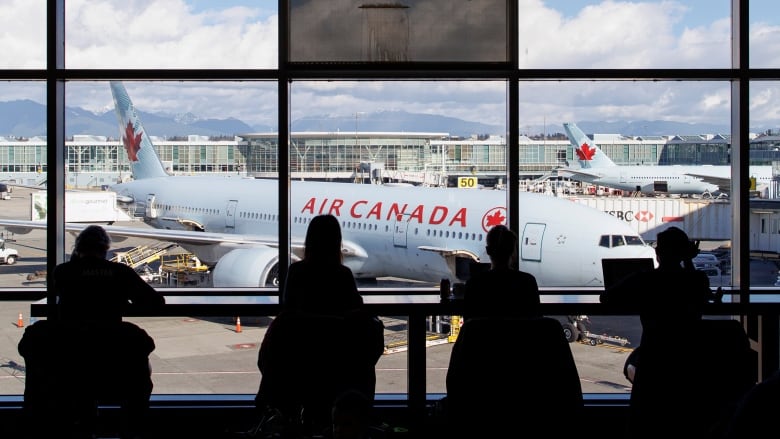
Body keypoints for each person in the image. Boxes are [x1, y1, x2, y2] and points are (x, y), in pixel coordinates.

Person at [19, 224, 165, 438]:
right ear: (106, 249)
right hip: (108, 348)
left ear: (77, 249)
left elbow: (67, 284)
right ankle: (134, 425)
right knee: (138, 346)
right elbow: (155, 302)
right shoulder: (120, 272)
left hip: (68, 352)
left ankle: (43, 423)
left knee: (35, 341)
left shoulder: (63, 271)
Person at [254, 214, 384, 437]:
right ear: (337, 241)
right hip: (335, 368)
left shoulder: (297, 272)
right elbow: (356, 313)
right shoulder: (342, 275)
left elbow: (288, 313)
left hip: (299, 368)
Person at [600, 226, 725, 438]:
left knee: (645, 420)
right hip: (688, 363)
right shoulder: (696, 281)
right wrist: (688, 260)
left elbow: (607, 298)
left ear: (658, 253)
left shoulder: (644, 279)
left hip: (654, 360)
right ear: (685, 252)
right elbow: (700, 292)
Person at [281, 214, 363, 314]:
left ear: (309, 239)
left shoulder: (296, 270)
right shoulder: (343, 274)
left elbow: (289, 306)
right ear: (337, 241)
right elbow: (356, 305)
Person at [463, 224, 540, 318]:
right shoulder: (528, 282)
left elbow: (469, 322)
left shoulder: (474, 284)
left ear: (488, 250)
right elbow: (536, 317)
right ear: (512, 251)